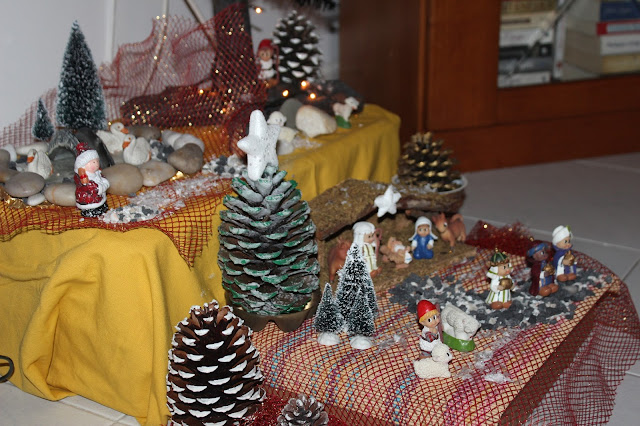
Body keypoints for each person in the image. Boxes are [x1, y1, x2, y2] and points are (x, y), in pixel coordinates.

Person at [74, 141, 110, 217]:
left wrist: (105, 182)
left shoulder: (97, 173)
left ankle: (101, 206)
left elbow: (102, 178)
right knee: (93, 205)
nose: (96, 164)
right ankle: (91, 211)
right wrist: (101, 187)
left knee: (101, 204)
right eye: (93, 162)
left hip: (99, 198)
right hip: (89, 199)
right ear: (84, 165)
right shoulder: (84, 178)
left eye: (97, 161)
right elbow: (92, 188)